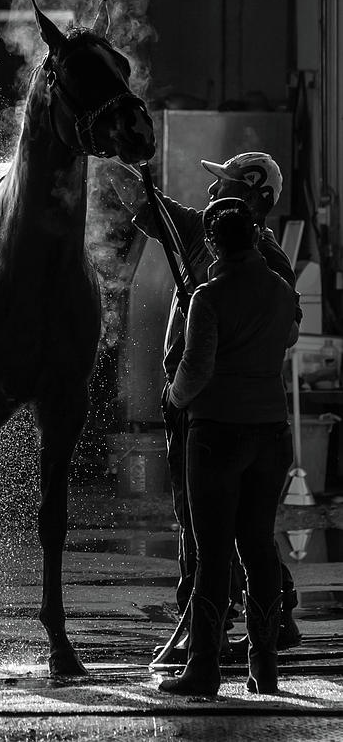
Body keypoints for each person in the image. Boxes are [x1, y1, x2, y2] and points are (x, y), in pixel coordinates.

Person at [110, 152, 301, 658]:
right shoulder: (201, 231)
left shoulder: (265, 261)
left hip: (212, 412)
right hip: (228, 412)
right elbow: (149, 202)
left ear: (253, 198)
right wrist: (121, 156)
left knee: (208, 523)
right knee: (227, 524)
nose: (212, 193)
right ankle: (270, 618)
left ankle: (203, 628)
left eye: (226, 186)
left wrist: (216, 314)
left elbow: (283, 333)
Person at [158, 197, 297, 695]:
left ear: (215, 243)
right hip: (271, 431)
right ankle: (265, 667)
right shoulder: (281, 291)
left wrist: (173, 397)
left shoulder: (208, 297)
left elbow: (196, 368)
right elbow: (289, 336)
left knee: (213, 551)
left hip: (216, 431)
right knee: (259, 546)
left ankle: (203, 669)